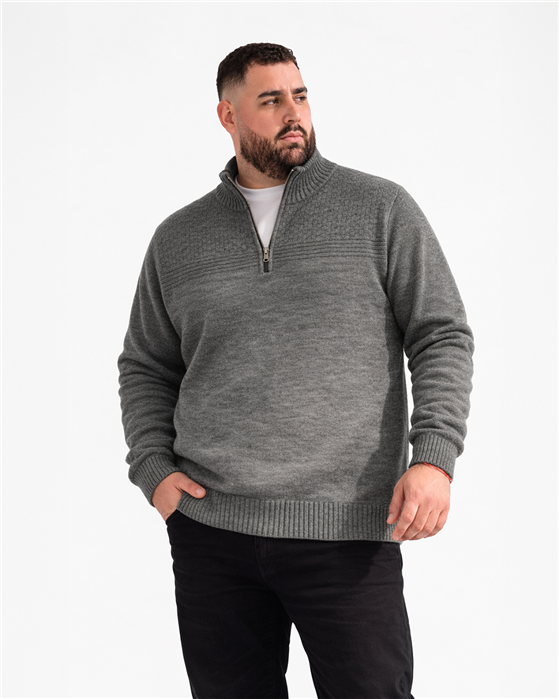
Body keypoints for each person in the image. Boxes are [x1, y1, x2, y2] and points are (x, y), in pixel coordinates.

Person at [118, 42, 474, 699]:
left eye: (300, 96)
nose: (294, 113)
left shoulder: (379, 209)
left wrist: (434, 457)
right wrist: (154, 470)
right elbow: (145, 364)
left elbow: (440, 333)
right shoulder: (179, 238)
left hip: (345, 527)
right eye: (271, 99)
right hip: (211, 530)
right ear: (228, 115)